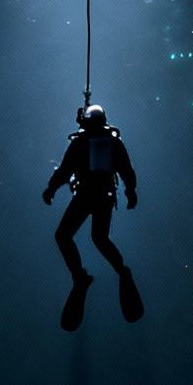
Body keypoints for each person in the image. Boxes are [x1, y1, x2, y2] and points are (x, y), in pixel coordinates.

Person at [42, 104, 137, 288]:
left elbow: (64, 170)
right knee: (100, 238)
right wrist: (130, 191)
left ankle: (80, 276)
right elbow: (126, 169)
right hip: (104, 196)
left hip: (85, 196)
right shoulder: (112, 142)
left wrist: (51, 189)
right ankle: (121, 270)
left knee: (63, 235)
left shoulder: (81, 142)